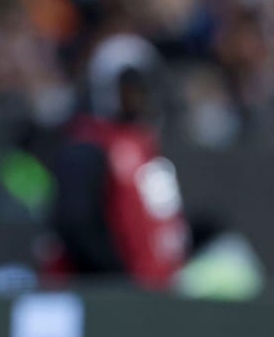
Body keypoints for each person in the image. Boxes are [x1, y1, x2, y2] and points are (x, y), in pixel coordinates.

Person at [42, 33, 187, 289]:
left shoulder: (146, 147)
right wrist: (119, 280)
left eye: (142, 91)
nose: (138, 100)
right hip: (104, 296)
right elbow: (77, 224)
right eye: (129, 91)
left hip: (156, 291)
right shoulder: (88, 147)